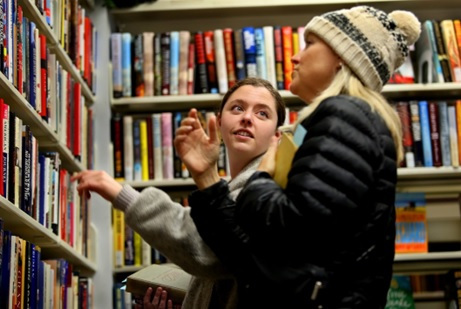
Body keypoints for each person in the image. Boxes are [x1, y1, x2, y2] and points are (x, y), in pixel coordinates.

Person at [176, 5, 421, 309]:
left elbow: (289, 233)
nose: (295, 56)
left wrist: (260, 180)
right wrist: (207, 178)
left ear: (343, 58)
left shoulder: (344, 115)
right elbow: (257, 257)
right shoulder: (337, 121)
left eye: (310, 44)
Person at [71, 77, 287, 308]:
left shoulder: (269, 190)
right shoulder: (230, 186)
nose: (247, 117)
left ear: (277, 135)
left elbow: (206, 248)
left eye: (262, 114)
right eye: (237, 108)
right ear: (220, 119)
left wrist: (120, 194)